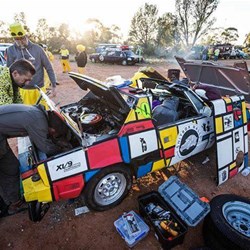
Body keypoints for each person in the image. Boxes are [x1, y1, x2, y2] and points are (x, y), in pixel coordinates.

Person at [0, 104, 71, 215]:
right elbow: (46, 147)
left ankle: (11, 201)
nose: (52, 135)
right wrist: (63, 151)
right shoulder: (39, 122)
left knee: (11, 166)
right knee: (9, 168)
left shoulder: (37, 112)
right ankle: (13, 204)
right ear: (52, 128)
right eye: (54, 134)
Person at [6, 23, 57, 106]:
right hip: (22, 90)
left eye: (22, 38)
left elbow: (48, 67)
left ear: (26, 36)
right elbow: (9, 70)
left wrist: (54, 85)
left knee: (43, 113)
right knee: (25, 115)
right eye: (17, 39)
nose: (20, 41)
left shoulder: (38, 49)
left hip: (39, 89)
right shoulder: (11, 50)